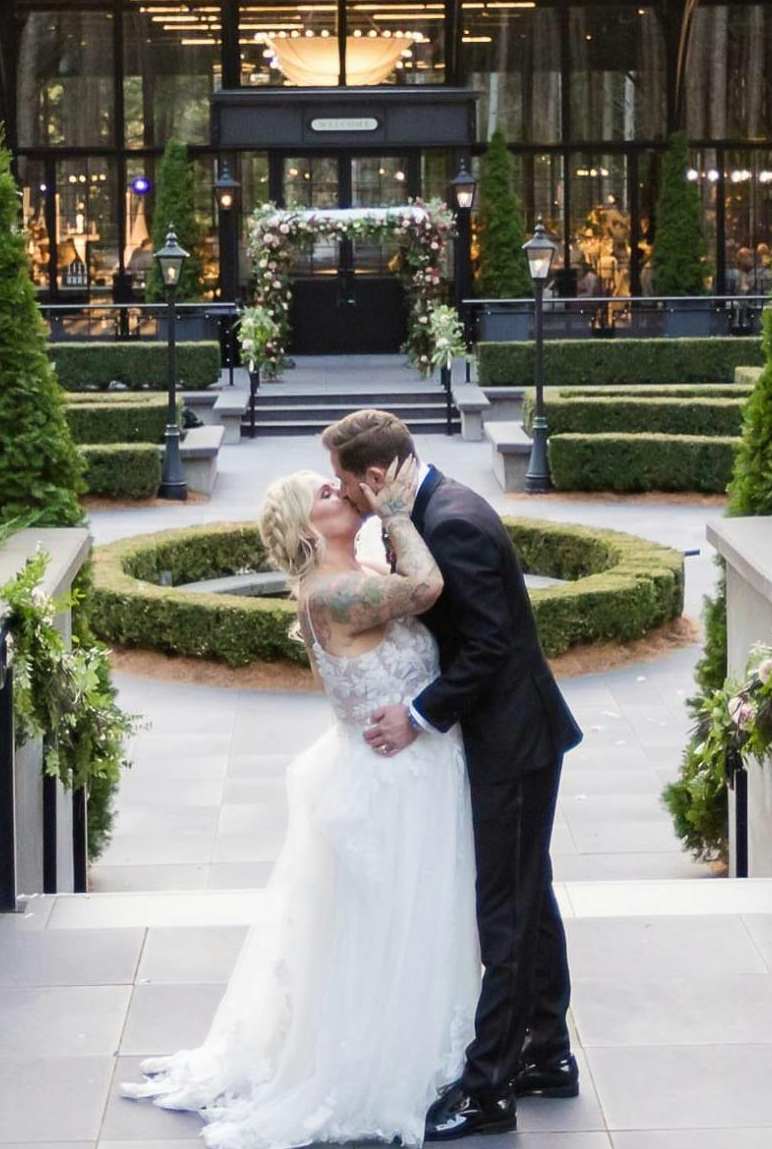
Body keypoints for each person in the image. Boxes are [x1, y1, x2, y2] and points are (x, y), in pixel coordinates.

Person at [121, 457, 481, 1148]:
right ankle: (382, 1063)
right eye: (324, 490)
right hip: (390, 783)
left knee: (419, 920)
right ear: (305, 526)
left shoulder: (364, 578)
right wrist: (398, 509)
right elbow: (430, 586)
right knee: (390, 930)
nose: (340, 489)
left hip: (413, 767)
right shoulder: (333, 594)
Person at [323, 411, 584, 1142]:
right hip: (511, 736)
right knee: (528, 897)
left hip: (513, 741)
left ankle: (489, 1089)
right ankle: (547, 1053)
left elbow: (489, 648)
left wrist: (417, 714)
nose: (345, 497)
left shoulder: (454, 521)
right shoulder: (428, 509)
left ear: (375, 477)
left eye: (347, 484)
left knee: (502, 907)